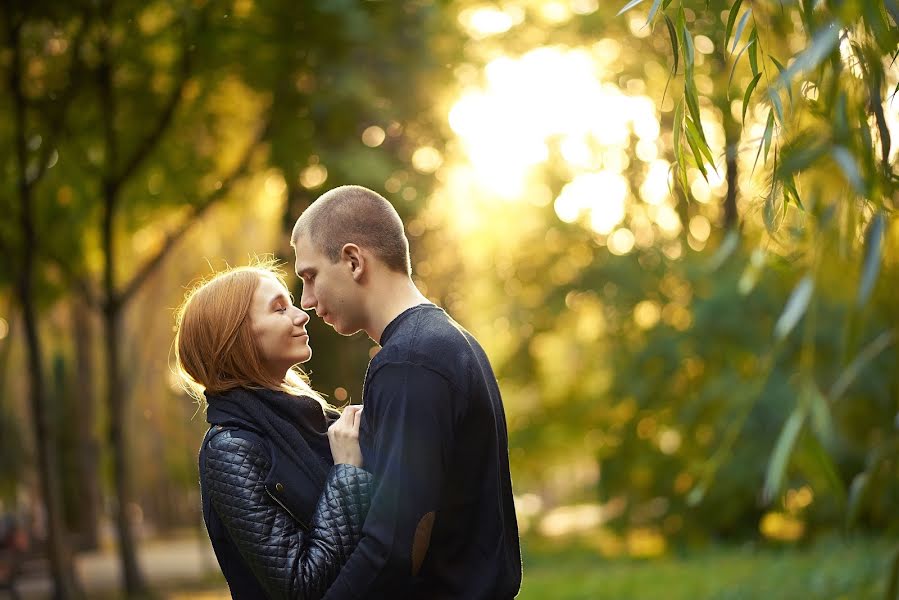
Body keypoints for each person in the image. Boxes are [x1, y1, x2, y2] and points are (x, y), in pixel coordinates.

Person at [291, 185, 522, 599]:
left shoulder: (408, 362)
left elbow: (393, 546)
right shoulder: (449, 342)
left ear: (353, 261)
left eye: (310, 277)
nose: (306, 300)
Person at [173, 261, 373, 600]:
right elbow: (298, 585)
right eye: (279, 309)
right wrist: (347, 475)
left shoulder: (316, 421)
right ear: (236, 338)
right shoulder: (230, 450)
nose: (301, 315)